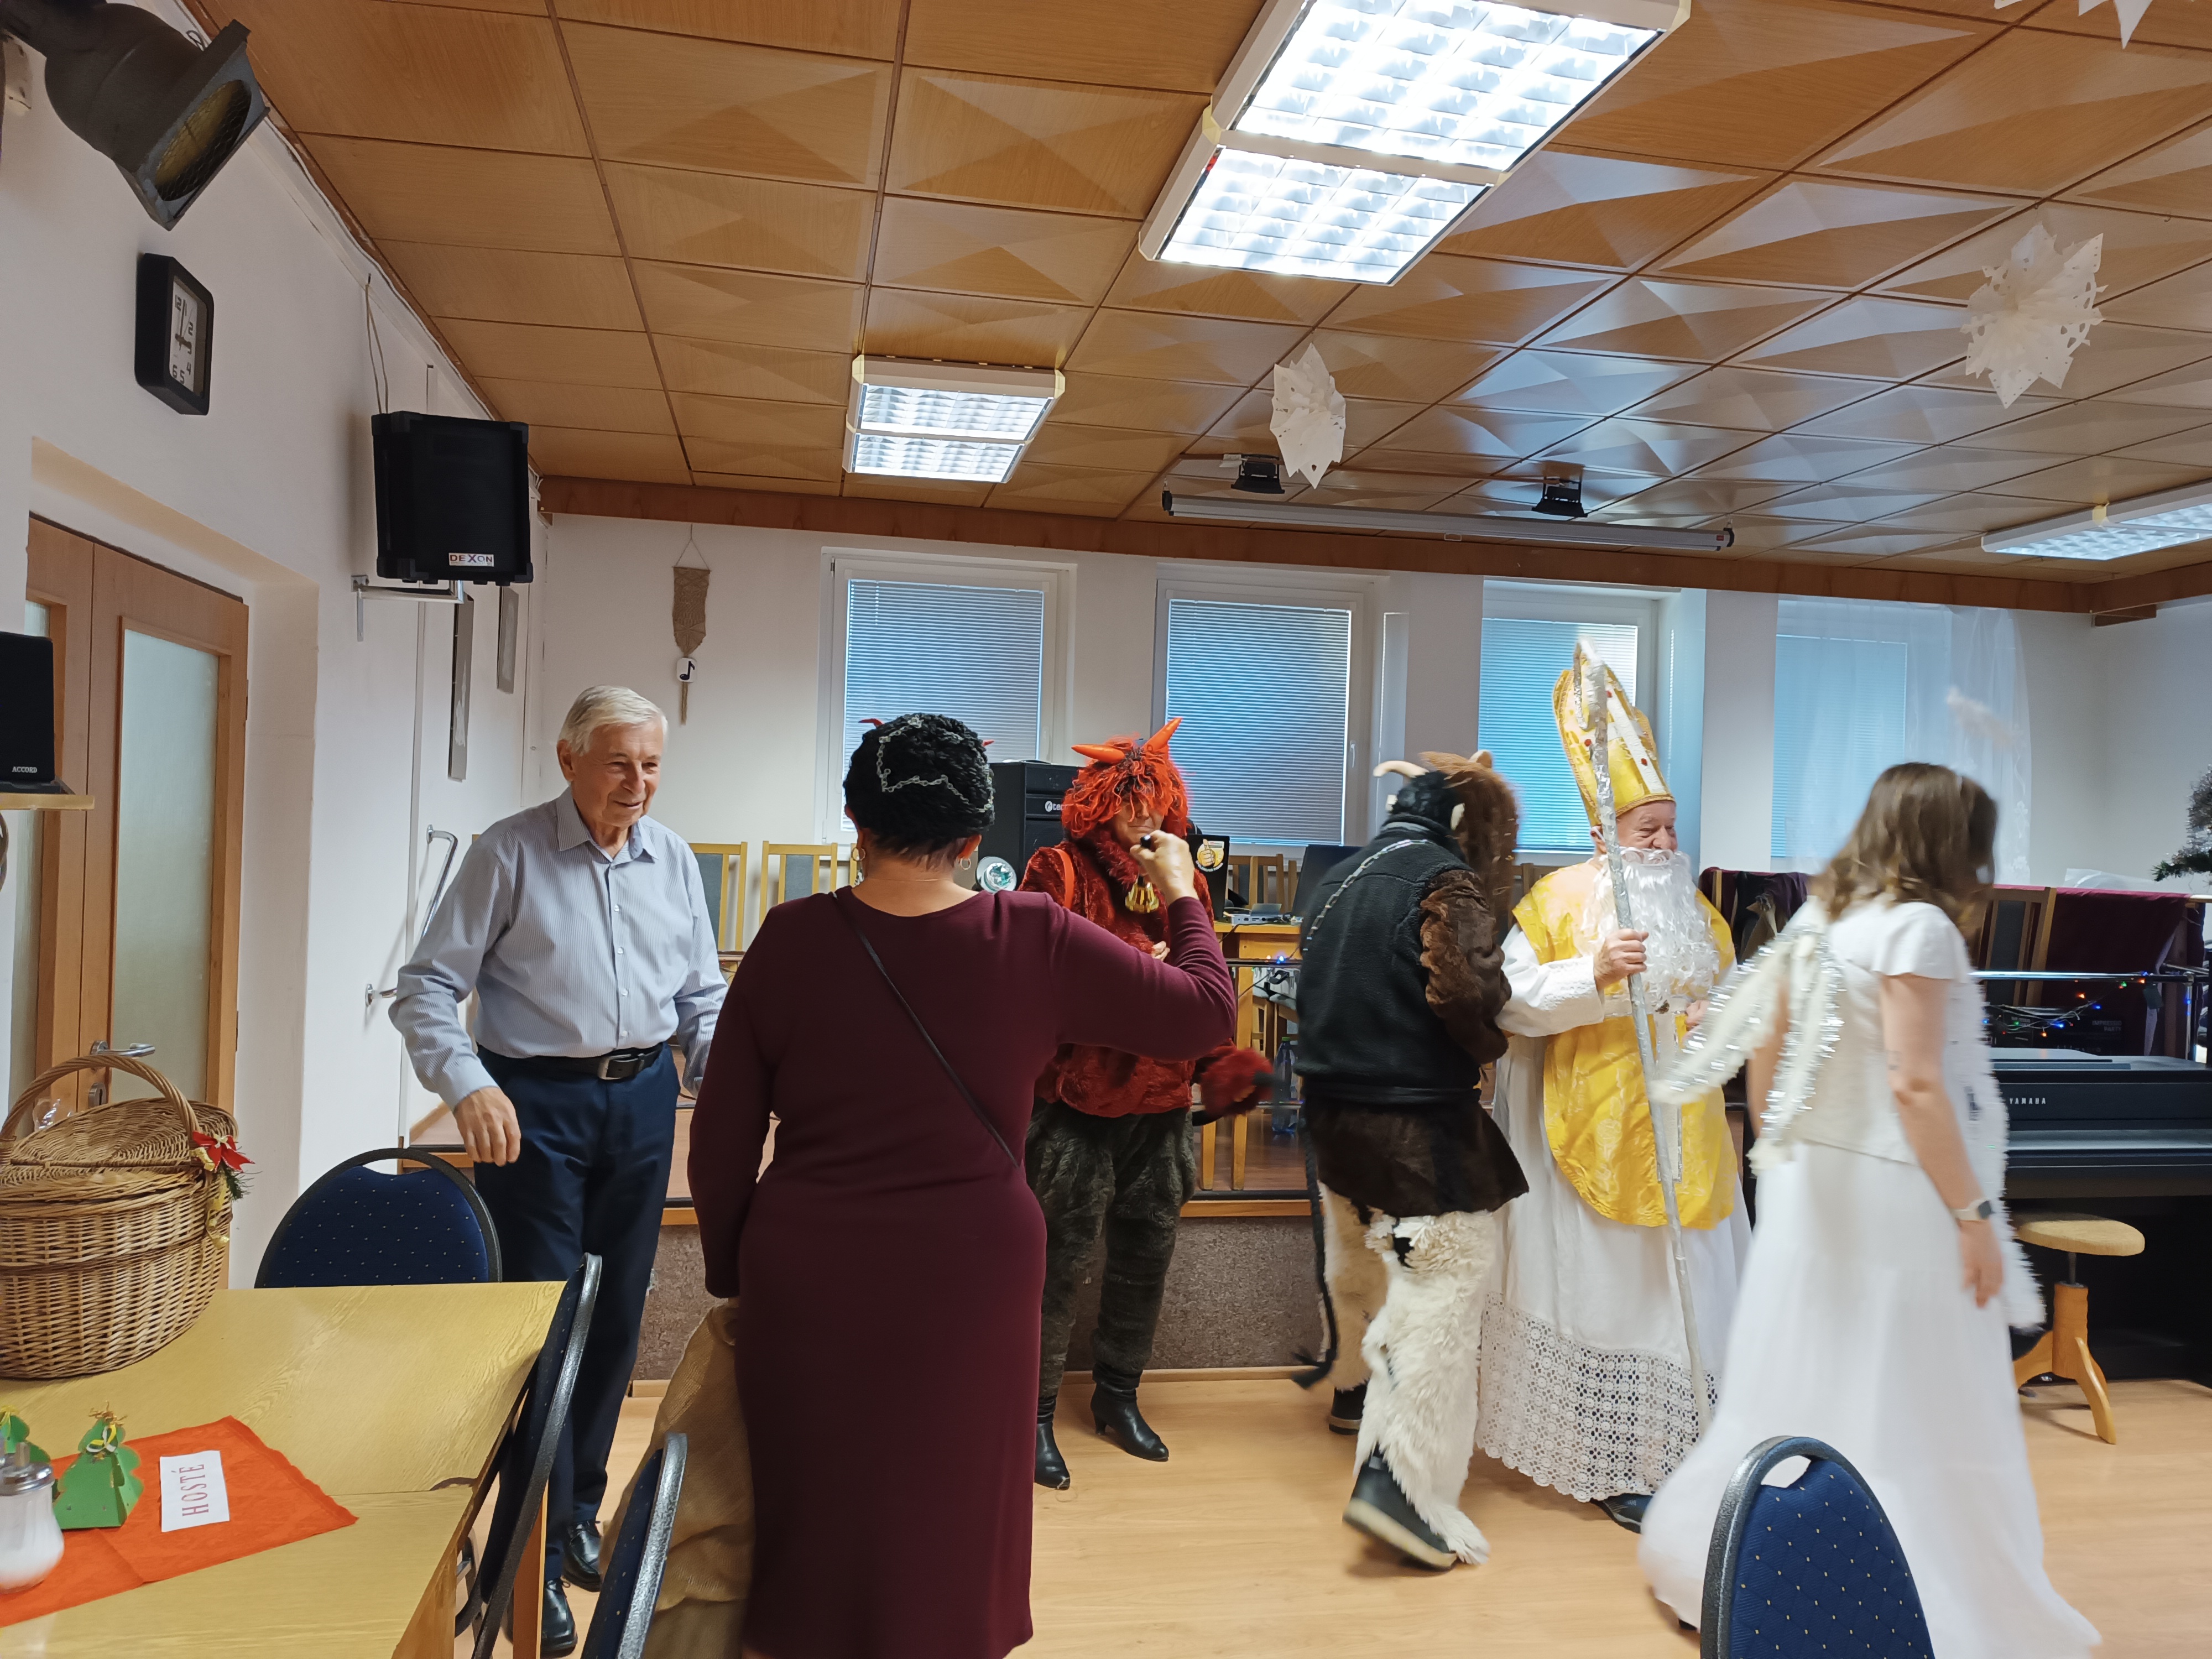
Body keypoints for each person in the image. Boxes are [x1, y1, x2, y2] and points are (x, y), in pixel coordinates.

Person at [688, 713, 1235, 1659]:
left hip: (808, 1265)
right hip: (974, 1268)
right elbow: (1206, 1013)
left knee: (813, 1496)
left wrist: (736, 1271)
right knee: (952, 1503)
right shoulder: (1034, 935)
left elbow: (722, 1136)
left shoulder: (791, 937)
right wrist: (1183, 893)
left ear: (856, 823)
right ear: (977, 838)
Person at [1638, 762, 2098, 1659]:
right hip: (1894, 1189)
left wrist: (1784, 1150)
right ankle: (1900, 1593)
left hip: (1813, 1183)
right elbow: (1917, 1084)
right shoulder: (1919, 927)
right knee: (1906, 1389)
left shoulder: (1825, 915)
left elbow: (1765, 1047)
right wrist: (1974, 1216)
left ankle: (1738, 1572)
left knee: (1802, 1372)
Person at [393, 685, 724, 1656]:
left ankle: (577, 1506)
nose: (638, 783)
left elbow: (700, 996)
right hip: (534, 1104)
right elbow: (426, 988)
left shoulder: (674, 859)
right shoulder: (509, 852)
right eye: (619, 762)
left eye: (652, 765)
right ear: (568, 758)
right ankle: (519, 1549)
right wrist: (466, 1084)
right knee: (544, 1325)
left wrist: (729, 1073)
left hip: (643, 1102)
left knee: (616, 1315)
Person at [1480, 649, 1744, 1533]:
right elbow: (1510, 1003)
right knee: (1607, 1296)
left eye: (1670, 829)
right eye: (1647, 831)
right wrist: (1591, 975)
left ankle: (1685, 1450)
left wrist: (1714, 1020)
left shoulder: (1699, 912)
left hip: (1686, 1139)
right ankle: (1606, 1459)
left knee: (1680, 1297)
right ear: (1604, 834)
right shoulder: (1556, 902)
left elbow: (1727, 999)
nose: (1665, 845)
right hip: (1585, 1135)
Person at [1295, 750, 1528, 1571]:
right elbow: (1467, 994)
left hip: (1333, 1119)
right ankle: (1400, 1484)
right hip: (1415, 1122)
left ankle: (1368, 1426)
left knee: (1383, 1276)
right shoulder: (1444, 879)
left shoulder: (1338, 879)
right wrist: (1490, 1036)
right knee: (1441, 1289)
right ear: (1461, 822)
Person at [1024, 719, 1272, 1489]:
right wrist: (1136, 970)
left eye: (1156, 802)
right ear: (1100, 803)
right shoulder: (1057, 869)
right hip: (1075, 1100)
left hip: (1161, 1102)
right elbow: (1035, 985)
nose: (1144, 817)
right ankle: (1031, 1414)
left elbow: (1203, 992)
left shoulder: (1181, 879)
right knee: (1054, 1262)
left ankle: (1118, 1396)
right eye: (1129, 802)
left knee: (1146, 1253)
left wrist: (1217, 1061)